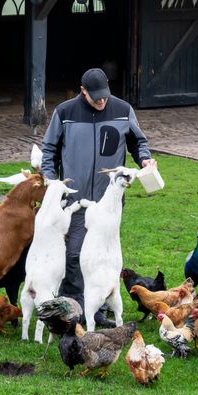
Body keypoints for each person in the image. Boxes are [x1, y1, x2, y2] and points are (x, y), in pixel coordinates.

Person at [40, 67, 157, 309]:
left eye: (105, 96)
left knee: (103, 255)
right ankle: (72, 305)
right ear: (83, 91)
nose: (102, 101)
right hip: (75, 200)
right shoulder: (64, 113)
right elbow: (49, 150)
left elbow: (138, 142)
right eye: (96, 97)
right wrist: (51, 182)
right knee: (74, 254)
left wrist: (145, 159)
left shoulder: (123, 110)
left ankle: (99, 304)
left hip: (109, 202)